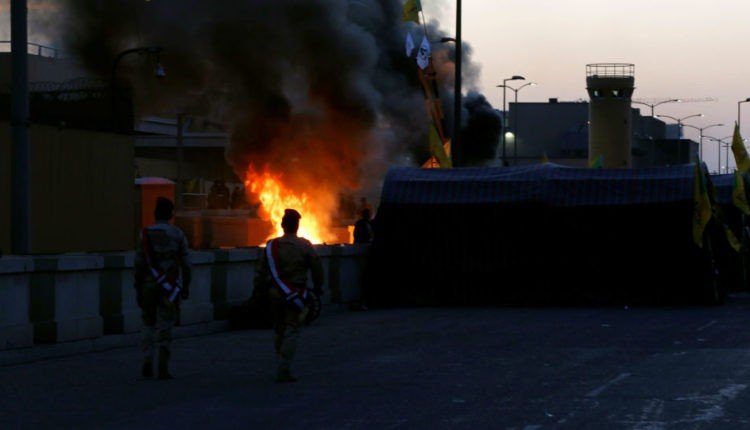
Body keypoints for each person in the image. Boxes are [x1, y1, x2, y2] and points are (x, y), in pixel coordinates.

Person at [254, 208, 325, 382]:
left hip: (274, 293)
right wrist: (318, 287)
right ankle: (284, 368)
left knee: (278, 329)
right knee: (291, 329)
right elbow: (317, 268)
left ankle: (279, 359)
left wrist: (257, 291)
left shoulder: (271, 246)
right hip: (295, 294)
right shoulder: (305, 245)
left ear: (282, 225)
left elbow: (260, 272)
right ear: (297, 226)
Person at [134, 197, 192, 380]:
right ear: (171, 215)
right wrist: (186, 287)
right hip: (169, 288)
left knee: (148, 324)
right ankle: (163, 367)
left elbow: (139, 263)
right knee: (166, 325)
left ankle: (147, 361)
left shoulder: (144, 234)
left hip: (148, 287)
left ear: (154, 214)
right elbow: (187, 264)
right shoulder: (178, 234)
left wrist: (137, 286)